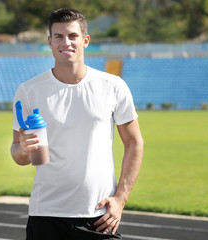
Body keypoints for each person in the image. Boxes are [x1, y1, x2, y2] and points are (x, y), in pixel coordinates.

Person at [11, 8, 144, 240]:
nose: (66, 42)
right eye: (59, 36)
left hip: (98, 215)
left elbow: (134, 143)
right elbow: (18, 154)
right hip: (46, 215)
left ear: (85, 40)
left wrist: (121, 199)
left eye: (73, 36)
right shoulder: (29, 91)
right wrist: (22, 149)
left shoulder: (113, 86)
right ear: (50, 42)